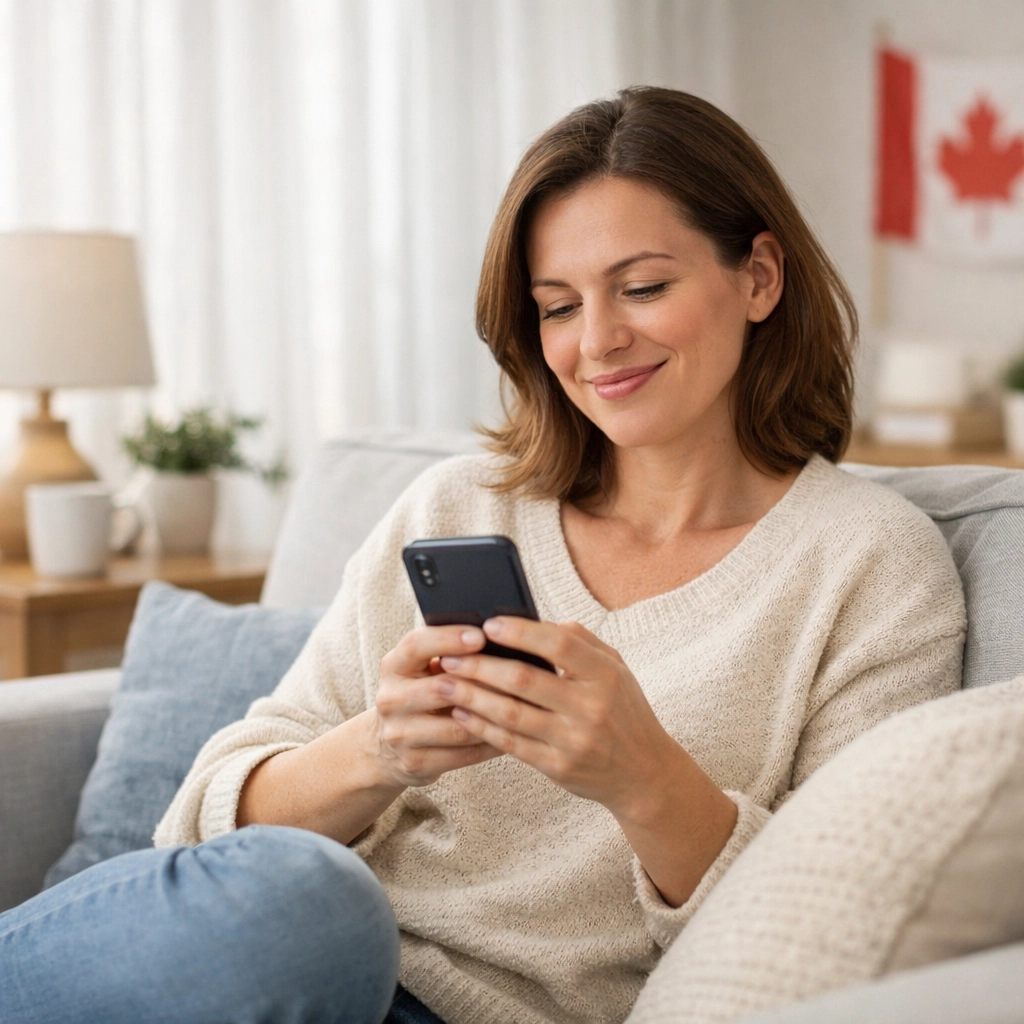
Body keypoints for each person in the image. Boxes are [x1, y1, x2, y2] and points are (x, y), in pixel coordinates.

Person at [0, 87, 965, 1024]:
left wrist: (644, 778)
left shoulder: (871, 567)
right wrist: (380, 748)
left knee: (311, 907)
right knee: (309, 901)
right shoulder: (465, 506)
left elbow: (844, 932)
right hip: (284, 962)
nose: (598, 342)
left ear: (759, 276)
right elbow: (201, 832)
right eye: (556, 307)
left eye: (643, 287)